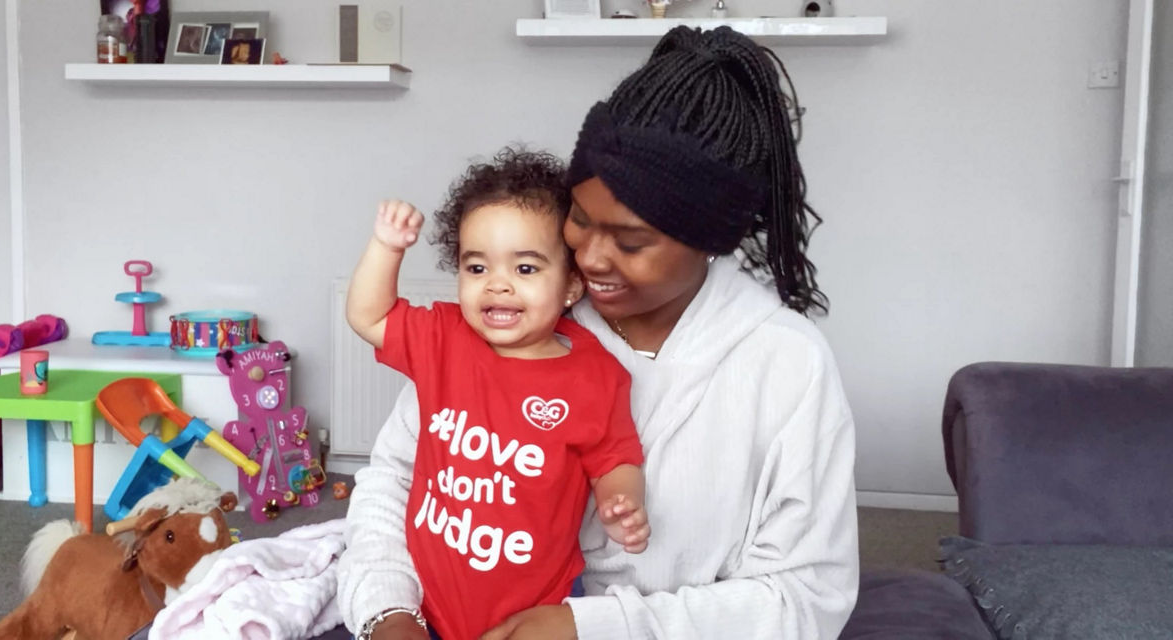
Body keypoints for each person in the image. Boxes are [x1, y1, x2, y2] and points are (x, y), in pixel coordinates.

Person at [339, 25, 859, 640]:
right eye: (579, 222)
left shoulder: (786, 362)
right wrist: (386, 611)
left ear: (713, 241)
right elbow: (394, 480)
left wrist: (589, 628)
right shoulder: (520, 320)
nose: (591, 258)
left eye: (632, 242)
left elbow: (806, 597)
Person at [344, 149, 652, 640]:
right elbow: (369, 316)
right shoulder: (444, 338)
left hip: (536, 608)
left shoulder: (596, 374)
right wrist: (387, 247)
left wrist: (622, 499)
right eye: (477, 268)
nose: (498, 286)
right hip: (429, 602)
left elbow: (614, 455)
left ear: (572, 283)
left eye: (525, 269)